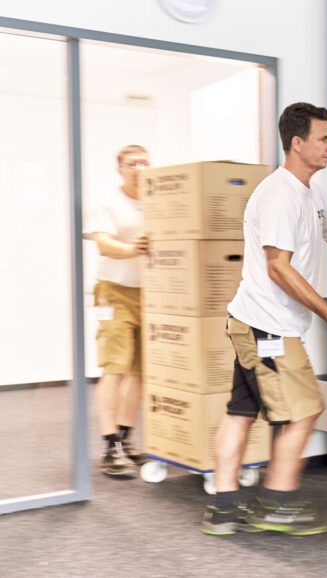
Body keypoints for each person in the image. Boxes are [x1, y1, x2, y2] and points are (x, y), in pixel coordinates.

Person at [201, 102, 327, 536]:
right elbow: (278, 267)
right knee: (305, 411)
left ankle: (225, 508)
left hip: (259, 322)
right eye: (324, 139)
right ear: (297, 143)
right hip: (267, 326)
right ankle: (275, 504)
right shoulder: (279, 194)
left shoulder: (313, 193)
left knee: (241, 411)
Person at [85, 144, 151, 478]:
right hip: (114, 293)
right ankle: (110, 445)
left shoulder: (157, 200)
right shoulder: (106, 202)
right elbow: (103, 243)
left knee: (140, 371)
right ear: (119, 168)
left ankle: (126, 439)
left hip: (151, 295)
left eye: (145, 162)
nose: (139, 168)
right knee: (115, 368)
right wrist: (131, 249)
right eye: (132, 163)